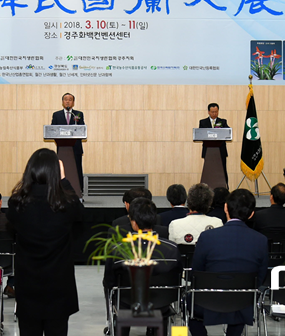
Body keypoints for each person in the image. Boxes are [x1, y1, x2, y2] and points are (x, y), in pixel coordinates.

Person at [7, 148, 83, 336]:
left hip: (28, 285)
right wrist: (64, 180)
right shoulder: (66, 203)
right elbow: (80, 213)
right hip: (58, 286)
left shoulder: (17, 203)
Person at [189, 189, 268, 336]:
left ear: (226, 208)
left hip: (208, 302)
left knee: (189, 301)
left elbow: (196, 274)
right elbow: (260, 277)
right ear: (251, 214)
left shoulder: (207, 237)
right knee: (243, 298)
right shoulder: (261, 240)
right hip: (242, 303)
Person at [103, 198, 181, 336]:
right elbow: (177, 277)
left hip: (128, 303)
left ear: (133, 222)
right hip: (162, 303)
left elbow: (109, 281)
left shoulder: (118, 249)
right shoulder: (172, 248)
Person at [51, 93, 86, 191]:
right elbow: (53, 130)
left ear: (73, 102)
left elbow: (82, 129)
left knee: (77, 169)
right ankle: (60, 191)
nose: (68, 101)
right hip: (62, 148)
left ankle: (79, 191)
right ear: (62, 102)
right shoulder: (56, 115)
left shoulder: (78, 114)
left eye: (70, 99)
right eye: (66, 99)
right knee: (61, 170)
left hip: (76, 147)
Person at [199, 103, 230, 187]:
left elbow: (228, 132)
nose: (214, 114)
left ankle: (225, 188)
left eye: (216, 112)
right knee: (209, 171)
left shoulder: (223, 122)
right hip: (208, 151)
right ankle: (206, 189)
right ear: (208, 112)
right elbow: (201, 134)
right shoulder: (203, 122)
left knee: (223, 169)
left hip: (221, 150)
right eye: (212, 112)